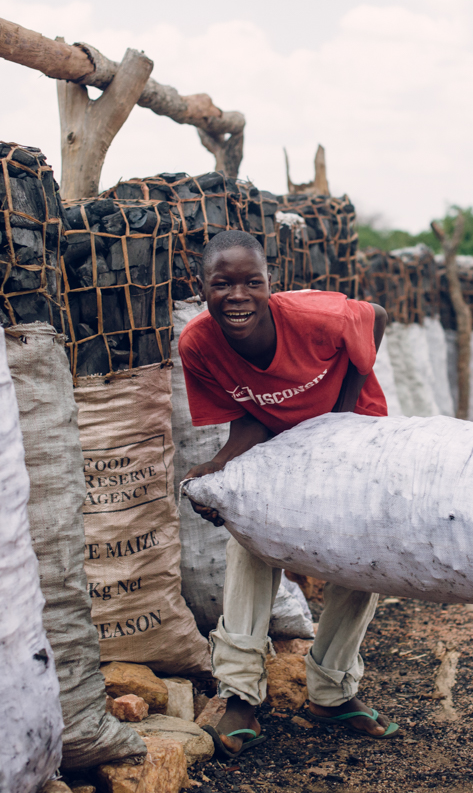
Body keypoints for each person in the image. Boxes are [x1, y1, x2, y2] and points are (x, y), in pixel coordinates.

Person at [179, 229, 399, 759]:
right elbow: (249, 418)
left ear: (269, 283)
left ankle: (332, 691)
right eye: (222, 284)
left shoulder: (314, 318)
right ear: (202, 287)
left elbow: (378, 315)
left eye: (251, 282)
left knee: (360, 555)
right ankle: (238, 695)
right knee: (250, 538)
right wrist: (216, 471)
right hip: (282, 443)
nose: (237, 296)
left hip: (354, 432)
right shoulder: (198, 345)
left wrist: (339, 420)